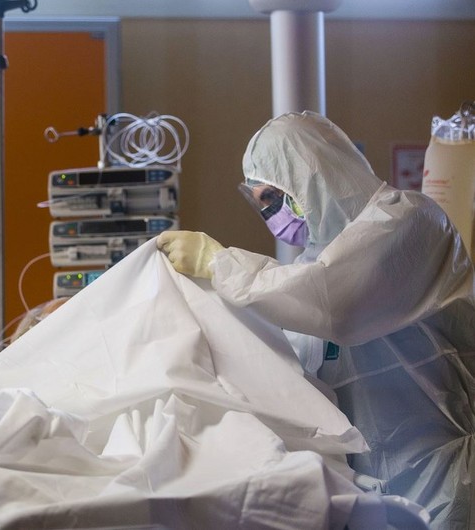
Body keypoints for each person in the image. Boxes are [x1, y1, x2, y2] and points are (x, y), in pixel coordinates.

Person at [157, 111, 475, 530]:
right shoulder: (303, 274)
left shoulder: (411, 221)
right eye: (261, 203)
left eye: (273, 197)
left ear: (314, 176)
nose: (271, 214)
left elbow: (339, 305)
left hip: (448, 481)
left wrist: (216, 262)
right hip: (377, 496)